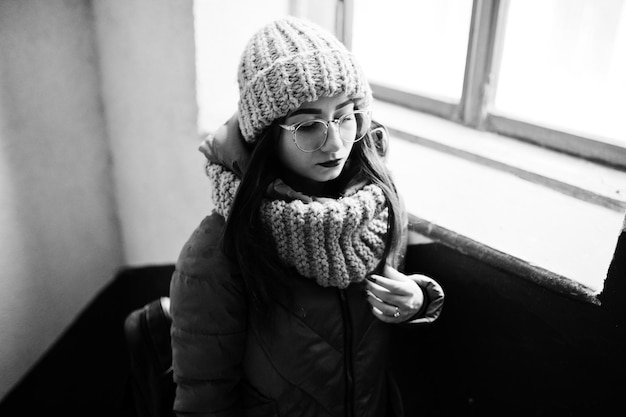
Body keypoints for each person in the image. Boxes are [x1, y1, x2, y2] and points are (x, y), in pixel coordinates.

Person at [169, 16, 444, 417]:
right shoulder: (218, 250)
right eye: (308, 124)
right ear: (266, 134)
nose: (335, 143)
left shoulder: (376, 205)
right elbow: (203, 402)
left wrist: (419, 300)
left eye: (345, 115)